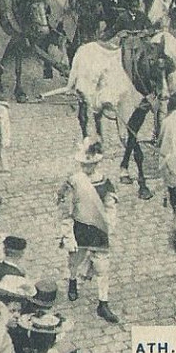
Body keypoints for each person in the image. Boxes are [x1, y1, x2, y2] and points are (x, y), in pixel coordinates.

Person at [58, 138, 119, 324]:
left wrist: (109, 224)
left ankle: (103, 303)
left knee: (103, 267)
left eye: (91, 164)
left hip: (99, 230)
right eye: (84, 164)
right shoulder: (73, 182)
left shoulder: (104, 181)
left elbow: (110, 205)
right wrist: (68, 235)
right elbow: (65, 211)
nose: (87, 168)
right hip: (80, 229)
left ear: (97, 162)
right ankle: (73, 281)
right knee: (74, 261)